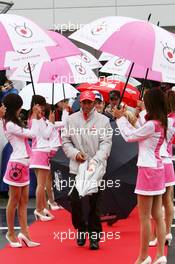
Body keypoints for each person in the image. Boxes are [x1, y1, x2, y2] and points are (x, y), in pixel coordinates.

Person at [113, 88, 167, 264]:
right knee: (158, 215)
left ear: (151, 103)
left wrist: (120, 118)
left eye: (144, 100)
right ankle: (160, 255)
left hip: (147, 170)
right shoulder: (160, 122)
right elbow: (140, 132)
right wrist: (128, 118)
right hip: (158, 170)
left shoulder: (152, 124)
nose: (141, 102)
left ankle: (144, 256)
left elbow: (130, 137)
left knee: (144, 217)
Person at [62, 90, 112, 250]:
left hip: (96, 167)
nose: (87, 105)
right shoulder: (70, 120)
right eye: (84, 102)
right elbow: (65, 141)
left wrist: (96, 160)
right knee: (74, 200)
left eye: (90, 102)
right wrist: (75, 154)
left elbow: (106, 143)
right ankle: (81, 229)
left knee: (94, 203)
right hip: (77, 167)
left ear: (94, 102)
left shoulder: (103, 120)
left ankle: (95, 236)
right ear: (80, 102)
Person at [2, 94, 40, 248]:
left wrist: (34, 117)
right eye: (20, 106)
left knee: (23, 201)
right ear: (16, 107)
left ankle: (25, 234)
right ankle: (11, 233)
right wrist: (35, 117)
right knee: (14, 200)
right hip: (16, 165)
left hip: (23, 164)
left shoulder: (14, 123)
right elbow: (32, 134)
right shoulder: (10, 124)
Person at [149, 90, 175, 248]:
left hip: (158, 161)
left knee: (155, 203)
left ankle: (155, 235)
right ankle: (166, 233)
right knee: (168, 199)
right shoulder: (169, 120)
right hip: (169, 161)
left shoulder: (161, 121)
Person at [29, 95, 55, 221]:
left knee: (42, 184)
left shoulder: (32, 118)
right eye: (40, 106)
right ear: (35, 105)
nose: (42, 108)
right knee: (41, 184)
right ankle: (39, 210)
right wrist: (50, 122)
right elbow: (46, 135)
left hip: (35, 153)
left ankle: (42, 207)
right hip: (41, 153)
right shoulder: (37, 119)